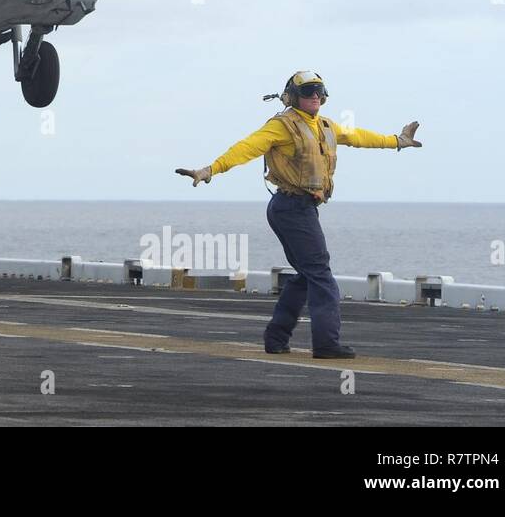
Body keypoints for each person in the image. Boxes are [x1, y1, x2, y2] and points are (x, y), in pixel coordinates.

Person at [174, 71, 421, 359]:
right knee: (321, 275)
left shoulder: (325, 126)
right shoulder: (282, 126)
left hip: (300, 208)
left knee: (307, 275)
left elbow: (357, 137)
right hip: (290, 208)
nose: (315, 95)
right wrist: (210, 170)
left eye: (318, 90)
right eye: (307, 91)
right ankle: (326, 344)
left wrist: (398, 141)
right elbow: (245, 148)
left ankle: (276, 338)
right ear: (292, 97)